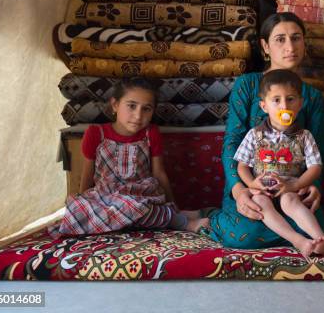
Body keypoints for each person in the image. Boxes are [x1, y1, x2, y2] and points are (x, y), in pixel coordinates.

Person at [208, 12, 324, 249]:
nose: (290, 47)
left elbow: (318, 152)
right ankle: (209, 219)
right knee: (245, 235)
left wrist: (313, 187)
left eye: (296, 38)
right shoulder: (248, 85)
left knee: (313, 226)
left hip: (292, 188)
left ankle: (304, 239)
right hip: (252, 186)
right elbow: (232, 142)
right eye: (280, 39)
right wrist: (240, 190)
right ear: (265, 46)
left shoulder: (312, 96)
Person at [51, 77, 208, 237]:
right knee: (77, 208)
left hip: (141, 197)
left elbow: (159, 173)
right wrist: (84, 206)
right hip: (106, 198)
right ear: (115, 105)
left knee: (136, 207)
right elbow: (87, 174)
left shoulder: (150, 133)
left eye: (146, 109)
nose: (138, 115)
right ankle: (171, 216)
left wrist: (173, 205)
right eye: (131, 106)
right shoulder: (96, 133)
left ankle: (182, 221)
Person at [234, 69, 324, 257]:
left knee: (291, 201)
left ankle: (322, 239)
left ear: (300, 103)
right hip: (263, 186)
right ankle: (298, 241)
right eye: (276, 100)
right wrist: (251, 184)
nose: (284, 106)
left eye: (290, 99)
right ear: (264, 106)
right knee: (259, 201)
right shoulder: (254, 135)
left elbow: (316, 167)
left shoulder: (304, 136)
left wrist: (297, 184)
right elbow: (242, 166)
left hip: (290, 186)